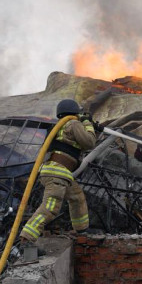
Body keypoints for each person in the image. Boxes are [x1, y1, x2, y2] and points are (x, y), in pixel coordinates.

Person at [20, 99, 98, 246]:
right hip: (58, 172)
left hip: (59, 172)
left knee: (77, 197)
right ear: (75, 112)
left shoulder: (59, 127)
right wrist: (88, 124)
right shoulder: (73, 124)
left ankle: (81, 231)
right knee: (50, 208)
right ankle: (26, 239)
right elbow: (89, 142)